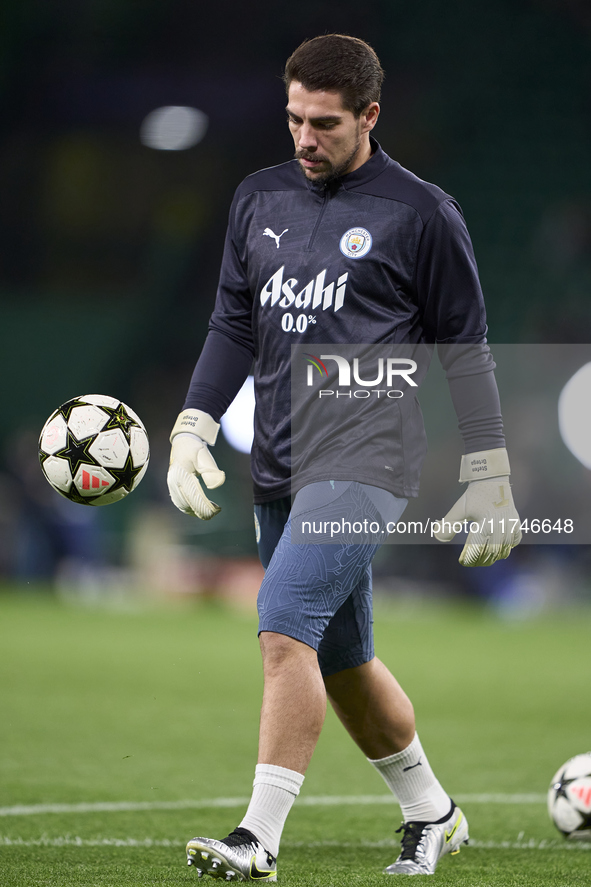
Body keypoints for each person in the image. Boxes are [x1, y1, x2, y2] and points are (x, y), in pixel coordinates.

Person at [167, 34, 521, 881]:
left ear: (368, 115)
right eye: (292, 118)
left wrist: (489, 468)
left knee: (282, 621)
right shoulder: (256, 198)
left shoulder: (423, 213)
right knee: (344, 661)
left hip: (370, 457)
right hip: (282, 461)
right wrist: (192, 421)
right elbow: (233, 323)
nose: (302, 138)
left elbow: (462, 348)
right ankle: (431, 810)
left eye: (322, 123)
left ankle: (257, 837)